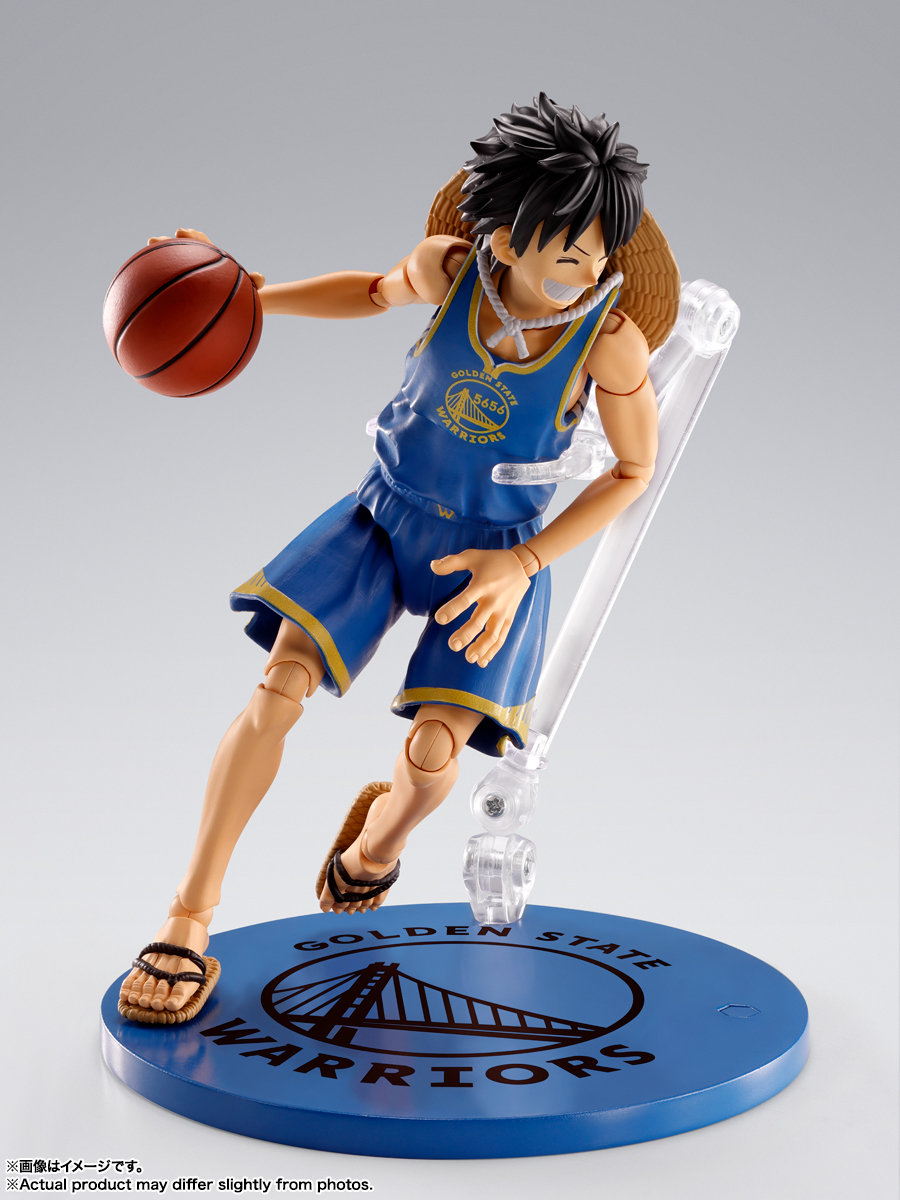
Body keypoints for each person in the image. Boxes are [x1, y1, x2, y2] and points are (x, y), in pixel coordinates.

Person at [119, 95, 668, 1024]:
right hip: (383, 518)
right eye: (568, 248)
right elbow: (372, 292)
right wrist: (248, 295)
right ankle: (189, 916)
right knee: (276, 690)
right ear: (505, 240)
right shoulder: (451, 271)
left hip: (493, 559)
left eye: (600, 248)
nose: (591, 266)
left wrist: (525, 565)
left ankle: (377, 845)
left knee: (431, 753)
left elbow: (633, 471)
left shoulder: (608, 343)